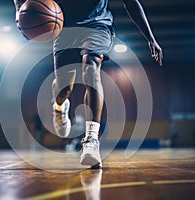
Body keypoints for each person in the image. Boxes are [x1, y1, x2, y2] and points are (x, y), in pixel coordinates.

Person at [14, 0, 163, 168]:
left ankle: (91, 139)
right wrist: (21, 12)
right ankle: (59, 106)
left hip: (97, 24)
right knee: (64, 88)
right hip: (64, 27)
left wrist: (150, 37)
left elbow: (131, 2)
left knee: (91, 69)